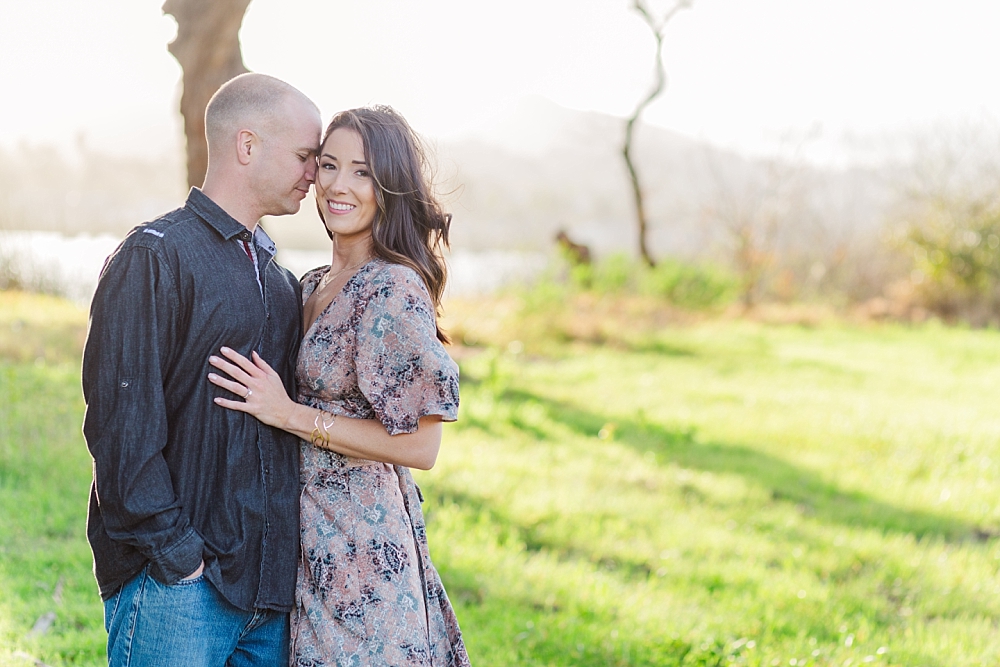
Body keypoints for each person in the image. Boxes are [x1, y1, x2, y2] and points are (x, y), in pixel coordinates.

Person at [206, 106, 470, 666]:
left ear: (388, 189)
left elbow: (421, 446)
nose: (338, 185)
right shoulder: (310, 286)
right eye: (328, 165)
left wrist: (291, 414)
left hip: (362, 552)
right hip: (302, 548)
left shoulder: (391, 288)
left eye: (362, 172)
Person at [82, 73, 322, 666]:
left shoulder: (277, 274)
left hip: (266, 596)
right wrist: (178, 557)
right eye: (304, 156)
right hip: (179, 589)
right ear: (247, 146)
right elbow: (121, 430)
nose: (315, 175)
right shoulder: (155, 255)